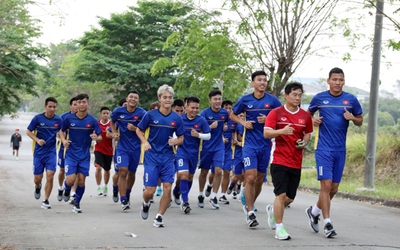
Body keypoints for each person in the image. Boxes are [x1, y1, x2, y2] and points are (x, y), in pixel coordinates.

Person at [305, 67, 363, 238]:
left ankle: (314, 211)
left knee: (334, 188)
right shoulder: (319, 98)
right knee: (326, 185)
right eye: (335, 79)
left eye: (341, 79)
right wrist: (313, 121)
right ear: (328, 81)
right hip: (323, 148)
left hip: (340, 149)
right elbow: (306, 115)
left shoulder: (351, 99)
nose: (338, 82)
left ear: (344, 81)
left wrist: (352, 118)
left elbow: (360, 120)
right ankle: (327, 223)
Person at [230, 70, 281, 227]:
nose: (262, 82)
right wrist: (243, 123)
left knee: (259, 179)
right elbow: (232, 114)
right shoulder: (245, 100)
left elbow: (282, 117)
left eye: (265, 80)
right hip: (249, 144)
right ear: (253, 83)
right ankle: (251, 212)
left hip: (265, 144)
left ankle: (249, 201)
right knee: (250, 177)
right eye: (259, 80)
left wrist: (268, 120)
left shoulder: (272, 101)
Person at [264, 82, 313, 240]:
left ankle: (274, 210)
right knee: (281, 194)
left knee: (289, 198)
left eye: (300, 95)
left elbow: (307, 134)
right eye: (294, 94)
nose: (297, 97)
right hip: (278, 159)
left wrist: (304, 142)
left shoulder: (305, 116)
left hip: (296, 161)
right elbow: (267, 133)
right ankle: (280, 228)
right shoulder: (276, 113)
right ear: (286, 96)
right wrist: (282, 131)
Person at [137, 84, 184, 228]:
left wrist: (175, 141)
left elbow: (181, 138)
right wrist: (145, 142)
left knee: (168, 188)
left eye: (170, 97)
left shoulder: (177, 118)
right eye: (165, 97)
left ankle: (159, 217)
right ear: (159, 99)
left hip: (168, 157)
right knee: (149, 191)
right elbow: (139, 130)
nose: (168, 100)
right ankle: (145, 204)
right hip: (151, 156)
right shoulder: (150, 115)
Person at [59, 93, 102, 213]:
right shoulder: (68, 119)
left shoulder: (92, 120)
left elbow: (100, 137)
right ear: (76, 105)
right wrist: (64, 141)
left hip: (84, 155)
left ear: (88, 104)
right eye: (79, 102)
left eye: (84, 102)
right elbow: (61, 131)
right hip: (71, 154)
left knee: (82, 181)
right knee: (71, 179)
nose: (81, 104)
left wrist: (96, 137)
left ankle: (77, 203)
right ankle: (66, 189)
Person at [110, 91, 147, 211]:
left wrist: (135, 128)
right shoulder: (118, 111)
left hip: (136, 148)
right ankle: (123, 198)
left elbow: (146, 128)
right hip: (122, 147)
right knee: (122, 171)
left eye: (136, 97)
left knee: (131, 173)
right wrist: (115, 132)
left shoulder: (142, 113)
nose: (133, 99)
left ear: (138, 101)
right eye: (131, 97)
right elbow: (112, 121)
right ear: (127, 99)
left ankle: (127, 192)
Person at [173, 96, 210, 213]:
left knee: (189, 177)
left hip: (194, 154)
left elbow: (208, 135)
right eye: (192, 108)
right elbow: (173, 132)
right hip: (181, 152)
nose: (195, 110)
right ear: (186, 107)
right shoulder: (179, 119)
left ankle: (177, 191)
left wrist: (198, 135)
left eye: (197, 108)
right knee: (183, 175)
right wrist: (175, 140)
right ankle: (185, 202)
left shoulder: (201, 120)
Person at [26, 97, 63, 209]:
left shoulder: (59, 120)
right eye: (50, 106)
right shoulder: (37, 118)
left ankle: (45, 200)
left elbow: (62, 132)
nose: (52, 109)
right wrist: (37, 140)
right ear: (45, 107)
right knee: (37, 178)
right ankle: (38, 187)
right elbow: (28, 131)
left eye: (54, 107)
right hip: (39, 152)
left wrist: (62, 138)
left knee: (50, 176)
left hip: (51, 152)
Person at [198, 89, 229, 209]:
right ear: (210, 101)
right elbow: (200, 130)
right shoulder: (204, 113)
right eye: (215, 99)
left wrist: (224, 127)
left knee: (218, 171)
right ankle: (201, 194)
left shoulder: (224, 113)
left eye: (219, 99)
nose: (217, 101)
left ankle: (214, 197)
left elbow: (225, 123)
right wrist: (210, 126)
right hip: (206, 146)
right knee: (204, 172)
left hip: (219, 146)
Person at [57, 97, 78, 202]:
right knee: (62, 170)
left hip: (76, 149)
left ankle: (73, 193)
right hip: (63, 148)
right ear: (70, 106)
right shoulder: (63, 117)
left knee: (75, 172)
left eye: (77, 104)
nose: (76, 106)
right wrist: (64, 139)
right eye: (74, 104)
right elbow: (58, 132)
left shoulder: (81, 118)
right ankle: (61, 187)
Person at [94, 107, 113, 196]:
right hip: (98, 149)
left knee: (107, 170)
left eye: (107, 113)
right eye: (104, 113)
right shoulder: (97, 124)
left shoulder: (112, 124)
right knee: (98, 167)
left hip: (109, 150)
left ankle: (105, 185)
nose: (105, 115)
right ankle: (99, 187)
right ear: (100, 114)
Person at [220, 100, 236, 205]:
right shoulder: (218, 119)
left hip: (228, 151)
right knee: (215, 172)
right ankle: (210, 186)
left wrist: (234, 140)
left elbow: (234, 132)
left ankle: (222, 195)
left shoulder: (233, 121)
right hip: (217, 149)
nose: (228, 110)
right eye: (226, 108)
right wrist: (221, 138)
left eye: (230, 108)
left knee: (227, 172)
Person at [227, 112, 245, 199]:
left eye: (243, 116)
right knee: (237, 174)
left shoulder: (249, 124)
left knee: (246, 174)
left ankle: (240, 187)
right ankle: (232, 185)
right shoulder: (238, 126)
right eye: (240, 116)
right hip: (238, 153)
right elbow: (238, 138)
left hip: (247, 153)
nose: (242, 117)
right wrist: (238, 142)